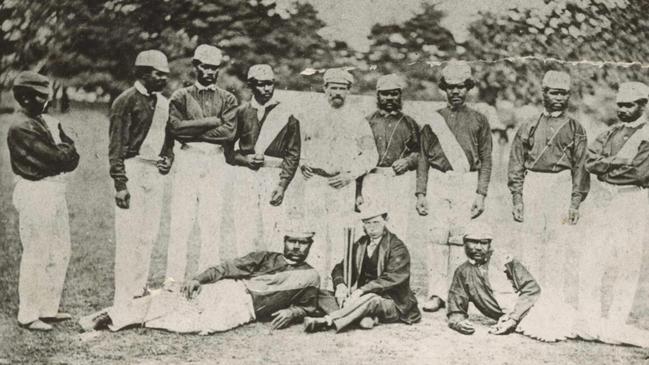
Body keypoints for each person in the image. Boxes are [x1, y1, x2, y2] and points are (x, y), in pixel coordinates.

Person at [79, 228, 320, 334]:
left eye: (303, 242)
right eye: (292, 241)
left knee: (201, 326)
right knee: (181, 298)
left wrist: (294, 313)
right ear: (285, 240)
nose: (297, 247)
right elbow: (227, 268)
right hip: (230, 290)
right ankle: (111, 316)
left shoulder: (310, 276)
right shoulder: (266, 257)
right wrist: (198, 279)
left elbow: (310, 305)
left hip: (246, 310)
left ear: (310, 245)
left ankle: (142, 310)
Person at [447, 222, 649, 348]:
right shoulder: (462, 272)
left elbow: (532, 289)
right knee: (589, 330)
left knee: (591, 327)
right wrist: (458, 322)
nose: (478, 248)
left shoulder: (503, 260)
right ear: (464, 243)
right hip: (519, 320)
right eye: (473, 242)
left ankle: (644, 340)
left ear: (490, 244)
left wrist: (513, 318)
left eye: (484, 242)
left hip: (537, 308)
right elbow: (456, 304)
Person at [415, 61, 493, 313]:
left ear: (468, 88)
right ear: (444, 89)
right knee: (436, 238)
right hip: (439, 179)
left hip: (466, 181)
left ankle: (457, 293)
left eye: (461, 87)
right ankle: (436, 293)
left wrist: (481, 193)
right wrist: (421, 192)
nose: (456, 92)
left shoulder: (479, 120)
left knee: (461, 239)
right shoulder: (433, 120)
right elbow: (424, 157)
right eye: (451, 87)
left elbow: (487, 158)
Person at [7, 71, 80, 331]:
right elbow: (59, 159)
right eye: (40, 97)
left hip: (54, 189)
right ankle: (28, 314)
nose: (46, 101)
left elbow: (73, 155)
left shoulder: (45, 120)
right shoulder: (21, 127)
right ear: (25, 98)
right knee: (37, 250)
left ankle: (48, 308)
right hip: (36, 190)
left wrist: (65, 152)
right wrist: (64, 152)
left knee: (60, 250)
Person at [507, 70, 589, 302]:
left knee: (557, 242)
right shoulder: (529, 125)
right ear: (544, 93)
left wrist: (575, 202)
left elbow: (581, 167)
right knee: (531, 240)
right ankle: (530, 297)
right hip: (534, 183)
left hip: (560, 184)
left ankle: (553, 299)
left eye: (564, 93)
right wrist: (517, 198)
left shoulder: (575, 128)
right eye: (554, 92)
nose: (559, 98)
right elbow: (516, 162)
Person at [161, 44, 238, 281]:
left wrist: (193, 129)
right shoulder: (181, 96)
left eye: (214, 68)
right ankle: (173, 280)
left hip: (214, 160)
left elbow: (228, 134)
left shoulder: (228, 98)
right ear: (196, 66)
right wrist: (211, 122)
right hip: (189, 158)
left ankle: (206, 280)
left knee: (211, 222)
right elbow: (175, 130)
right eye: (205, 66)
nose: (210, 72)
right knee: (181, 222)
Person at [299, 68, 378, 289]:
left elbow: (371, 155)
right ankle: (314, 284)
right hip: (315, 181)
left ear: (348, 91)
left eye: (342, 88)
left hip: (342, 184)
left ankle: (339, 285)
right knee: (313, 230)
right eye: (333, 87)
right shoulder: (312, 115)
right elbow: (302, 146)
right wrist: (302, 164)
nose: (337, 93)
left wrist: (350, 175)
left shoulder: (357, 119)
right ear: (325, 88)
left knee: (340, 233)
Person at [581, 82, 649, 327]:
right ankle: (589, 319)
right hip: (606, 200)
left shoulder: (647, 135)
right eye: (620, 105)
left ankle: (616, 321)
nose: (623, 110)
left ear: (643, 105)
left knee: (627, 261)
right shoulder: (610, 132)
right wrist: (617, 162)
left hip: (632, 199)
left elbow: (639, 173)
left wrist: (606, 166)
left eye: (629, 105)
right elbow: (590, 161)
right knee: (593, 256)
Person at [108, 50, 171, 312]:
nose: (163, 79)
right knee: (128, 236)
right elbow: (116, 146)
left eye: (165, 75)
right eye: (158, 74)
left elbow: (169, 139)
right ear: (143, 74)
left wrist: (168, 158)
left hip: (154, 172)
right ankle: (122, 297)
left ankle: (138, 289)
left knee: (148, 234)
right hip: (132, 169)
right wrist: (120, 184)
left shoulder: (164, 103)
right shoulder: (125, 101)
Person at [303, 205, 421, 333]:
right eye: (367, 223)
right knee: (320, 293)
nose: (371, 227)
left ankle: (328, 320)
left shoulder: (397, 247)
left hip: (393, 302)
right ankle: (359, 317)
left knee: (371, 299)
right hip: (360, 298)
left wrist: (360, 291)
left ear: (385, 221)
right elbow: (341, 267)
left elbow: (392, 278)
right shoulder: (361, 243)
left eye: (376, 222)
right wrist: (340, 285)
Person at [225, 64, 301, 255]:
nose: (266, 89)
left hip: (273, 175)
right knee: (244, 225)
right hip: (246, 175)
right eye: (261, 85)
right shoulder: (241, 112)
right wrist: (245, 160)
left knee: (274, 226)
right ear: (251, 86)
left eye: (270, 84)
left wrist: (283, 185)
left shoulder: (287, 115)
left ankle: (273, 274)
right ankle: (242, 270)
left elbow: (293, 153)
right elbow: (227, 151)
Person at [358, 74, 420, 242]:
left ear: (400, 95)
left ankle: (395, 265)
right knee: (371, 223)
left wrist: (408, 162)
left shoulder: (410, 123)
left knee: (398, 225)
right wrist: (357, 192)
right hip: (371, 179)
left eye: (394, 93)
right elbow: (356, 156)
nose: (390, 98)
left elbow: (421, 152)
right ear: (378, 95)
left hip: (398, 180)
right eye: (385, 94)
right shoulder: (367, 121)